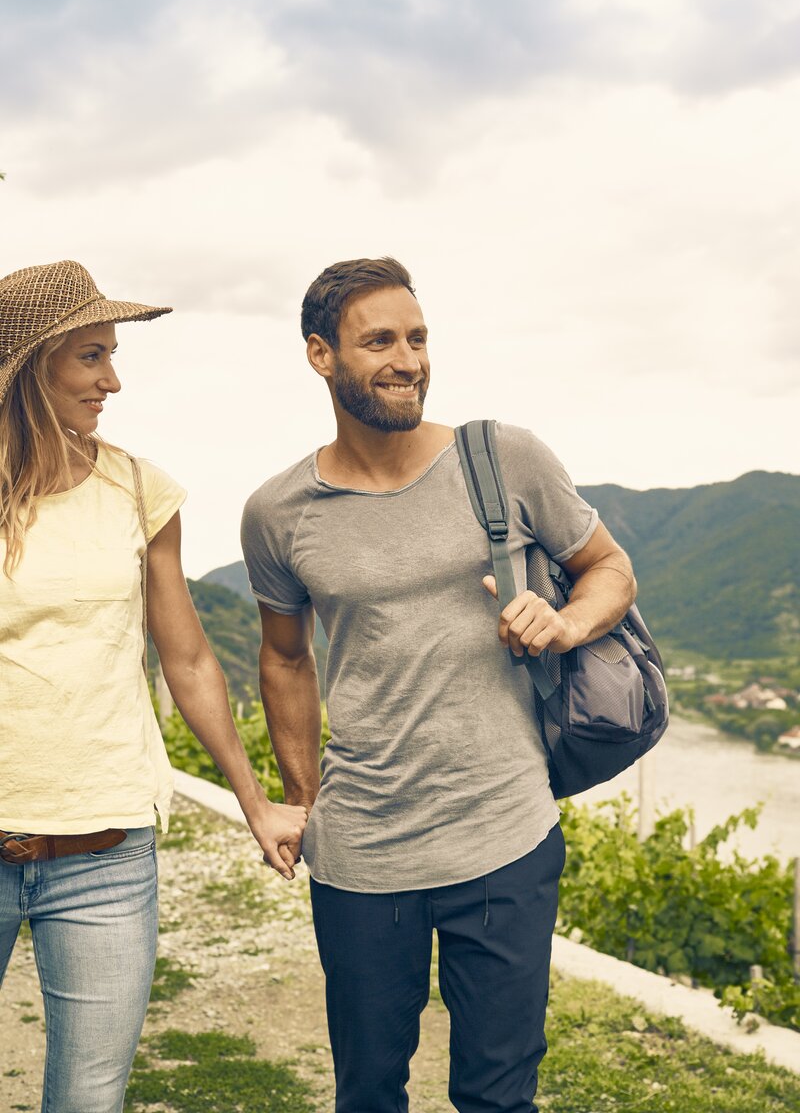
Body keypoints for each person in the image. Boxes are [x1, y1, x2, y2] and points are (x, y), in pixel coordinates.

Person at [240, 256, 636, 1113]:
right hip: (361, 852)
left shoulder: (506, 460)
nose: (408, 359)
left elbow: (609, 570)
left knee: (499, 1095)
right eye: (379, 340)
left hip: (505, 833)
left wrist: (565, 622)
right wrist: (303, 800)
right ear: (320, 355)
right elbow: (284, 658)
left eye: (418, 338)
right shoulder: (278, 513)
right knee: (370, 1092)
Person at [0, 260, 307, 1113]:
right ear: (32, 367)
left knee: (90, 1101)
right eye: (92, 357)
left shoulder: (138, 487)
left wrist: (253, 800)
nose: (114, 380)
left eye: (113, 355)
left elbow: (191, 659)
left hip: (106, 852)